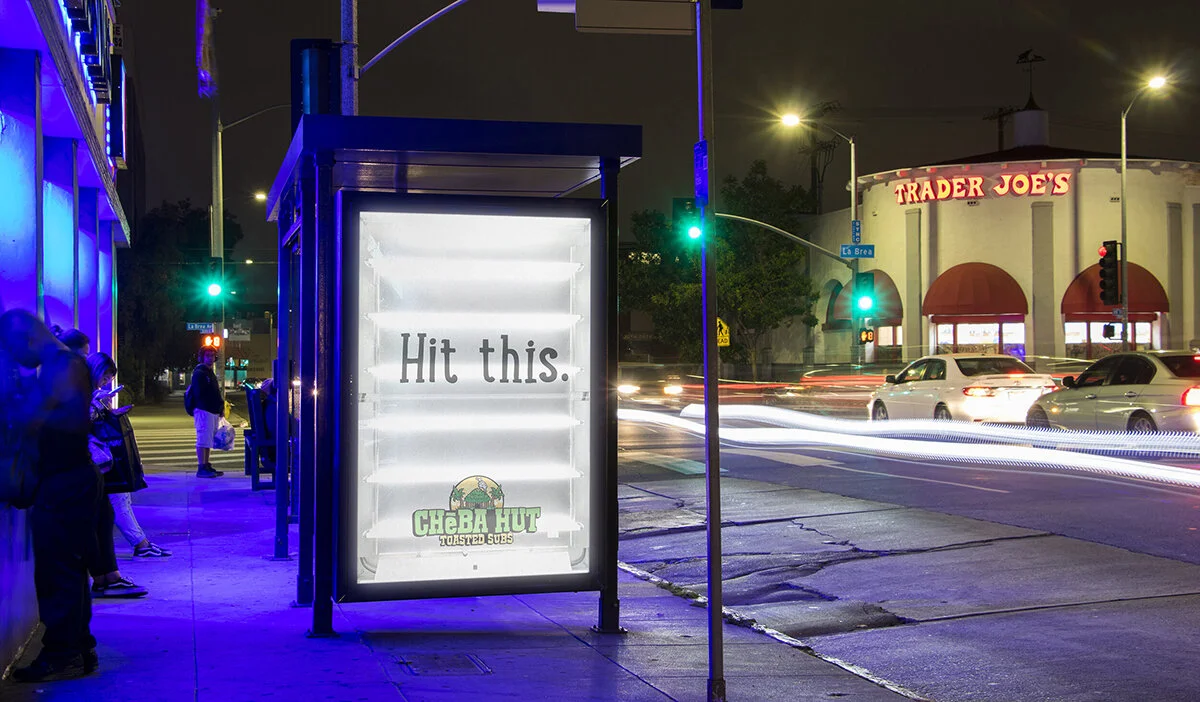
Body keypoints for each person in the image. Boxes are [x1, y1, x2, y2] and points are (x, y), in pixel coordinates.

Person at [1, 310, 101, 682]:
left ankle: (63, 654)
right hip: (68, 482)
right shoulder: (61, 365)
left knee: (57, 572)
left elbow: (74, 421)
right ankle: (78, 649)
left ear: (27, 337)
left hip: (65, 483)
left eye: (12, 348)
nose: (14, 358)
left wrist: (29, 412)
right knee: (68, 571)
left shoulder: (63, 365)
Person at [86, 352, 171, 559]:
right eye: (105, 378)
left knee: (120, 498)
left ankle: (141, 542)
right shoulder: (82, 391)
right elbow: (85, 419)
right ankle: (140, 544)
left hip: (98, 454)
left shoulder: (88, 390)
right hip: (94, 455)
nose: (105, 383)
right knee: (119, 497)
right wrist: (99, 405)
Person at [189, 347, 225, 478]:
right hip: (204, 410)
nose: (211, 358)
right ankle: (201, 466)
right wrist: (212, 405)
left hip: (212, 411)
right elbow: (200, 393)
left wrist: (219, 408)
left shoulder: (209, 372)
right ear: (202, 357)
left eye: (212, 355)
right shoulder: (200, 373)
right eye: (208, 355)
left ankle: (206, 464)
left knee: (207, 439)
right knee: (203, 439)